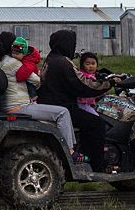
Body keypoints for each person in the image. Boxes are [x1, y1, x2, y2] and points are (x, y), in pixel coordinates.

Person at [0, 31, 84, 163]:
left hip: (5, 107)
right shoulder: (14, 63)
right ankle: (69, 151)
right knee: (63, 113)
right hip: (19, 107)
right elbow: (37, 81)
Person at [38, 30, 115, 172]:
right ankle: (97, 166)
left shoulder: (50, 59)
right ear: (66, 43)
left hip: (50, 103)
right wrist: (108, 84)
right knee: (97, 124)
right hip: (62, 105)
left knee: (88, 122)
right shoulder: (63, 62)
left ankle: (85, 156)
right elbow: (82, 85)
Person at [12, 36, 40, 100]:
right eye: (13, 53)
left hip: (32, 85)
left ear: (24, 53)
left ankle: (33, 98)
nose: (14, 56)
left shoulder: (29, 62)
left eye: (16, 54)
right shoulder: (25, 58)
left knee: (30, 86)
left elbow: (21, 76)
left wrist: (16, 75)